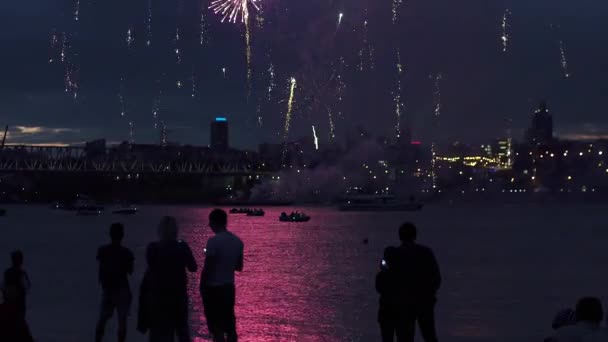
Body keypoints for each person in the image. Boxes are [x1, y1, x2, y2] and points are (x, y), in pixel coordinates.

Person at [139, 216, 197, 342]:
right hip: (178, 295)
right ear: (175, 230)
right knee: (182, 331)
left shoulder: (152, 247)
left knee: (160, 333)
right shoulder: (182, 247)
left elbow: (151, 266)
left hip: (158, 296)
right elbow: (193, 267)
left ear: (160, 230)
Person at [200, 209, 244, 342]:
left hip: (213, 289)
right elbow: (239, 267)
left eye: (210, 222)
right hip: (229, 288)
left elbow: (208, 266)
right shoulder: (238, 241)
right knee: (230, 325)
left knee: (216, 327)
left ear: (215, 222)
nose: (209, 225)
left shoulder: (213, 241)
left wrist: (202, 285)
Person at [394, 222, 441, 342]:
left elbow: (387, 280)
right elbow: (436, 277)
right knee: (429, 335)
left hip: (403, 303)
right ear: (415, 235)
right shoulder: (426, 252)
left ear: (400, 236)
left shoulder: (395, 254)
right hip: (424, 301)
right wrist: (431, 294)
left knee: (405, 337)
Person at [95, 223, 135, 342]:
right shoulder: (127, 253)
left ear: (110, 234)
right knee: (122, 322)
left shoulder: (102, 251)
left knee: (102, 320)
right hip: (122, 289)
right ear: (122, 235)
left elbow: (101, 271)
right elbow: (130, 271)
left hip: (108, 289)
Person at [376, 246, 400, 342]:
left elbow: (379, 288)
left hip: (388, 312)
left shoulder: (383, 275)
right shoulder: (401, 274)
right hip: (395, 312)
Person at [2, 250, 31, 319]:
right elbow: (27, 286)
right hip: (19, 303)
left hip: (8, 303)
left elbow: (3, 286)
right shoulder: (22, 273)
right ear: (21, 261)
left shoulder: (7, 272)